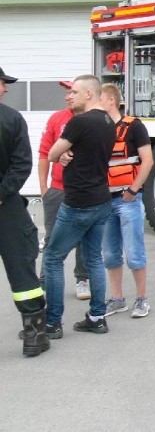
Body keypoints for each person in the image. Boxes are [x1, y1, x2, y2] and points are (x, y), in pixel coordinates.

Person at [43, 75, 116, 337]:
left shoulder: (80, 122)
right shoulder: (108, 121)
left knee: (52, 259)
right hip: (101, 199)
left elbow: (51, 154)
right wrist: (66, 152)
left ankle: (52, 323)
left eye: (74, 92)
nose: (68, 96)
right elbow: (84, 151)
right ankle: (97, 317)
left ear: (89, 94)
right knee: (94, 259)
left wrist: (61, 152)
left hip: (78, 203)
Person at [0, 66, 50, 357]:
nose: (6, 89)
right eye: (3, 83)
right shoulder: (11, 119)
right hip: (6, 208)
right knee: (22, 271)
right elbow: (21, 166)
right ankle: (34, 335)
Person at [100, 83, 154, 319]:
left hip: (127, 199)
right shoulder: (97, 128)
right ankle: (117, 299)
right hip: (104, 200)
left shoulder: (134, 127)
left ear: (111, 100)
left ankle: (141, 299)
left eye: (99, 98)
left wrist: (133, 190)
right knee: (110, 254)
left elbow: (148, 160)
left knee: (134, 253)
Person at [38, 80, 91, 299]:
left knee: (83, 237)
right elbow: (44, 153)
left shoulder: (93, 121)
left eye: (72, 92)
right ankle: (43, 281)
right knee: (52, 238)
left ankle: (82, 279)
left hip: (84, 191)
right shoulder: (56, 119)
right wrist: (44, 188)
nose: (68, 96)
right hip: (57, 190)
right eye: (67, 93)